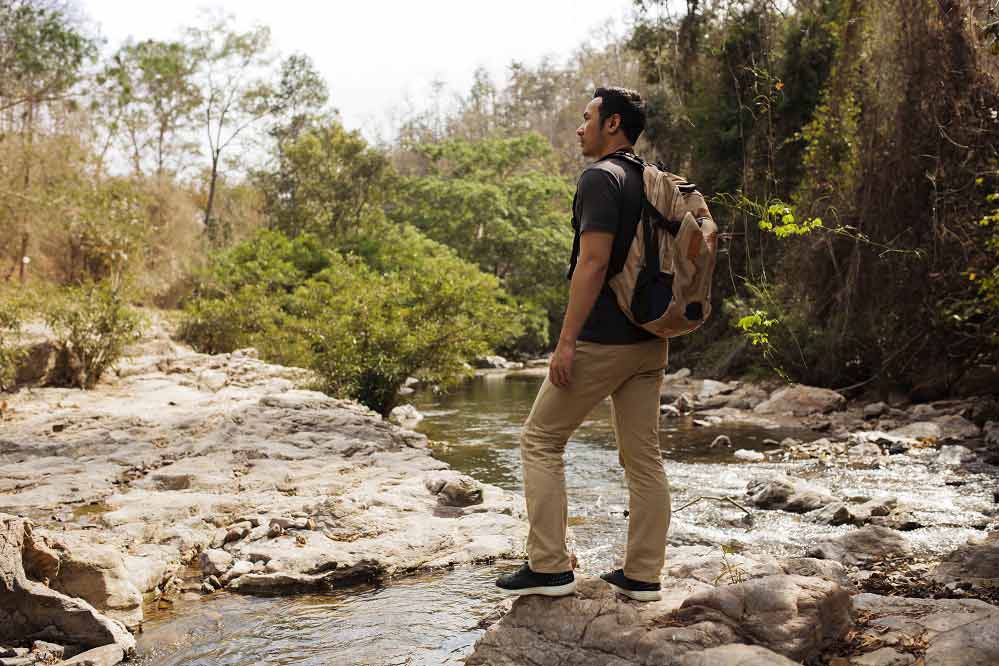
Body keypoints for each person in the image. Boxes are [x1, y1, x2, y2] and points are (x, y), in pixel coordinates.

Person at [495, 87, 671, 602]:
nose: (579, 126)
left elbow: (592, 264)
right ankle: (643, 576)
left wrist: (566, 341)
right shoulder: (649, 178)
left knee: (540, 440)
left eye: (587, 116)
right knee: (644, 458)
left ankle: (549, 567)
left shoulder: (600, 178)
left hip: (603, 338)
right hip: (650, 338)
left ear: (612, 123)